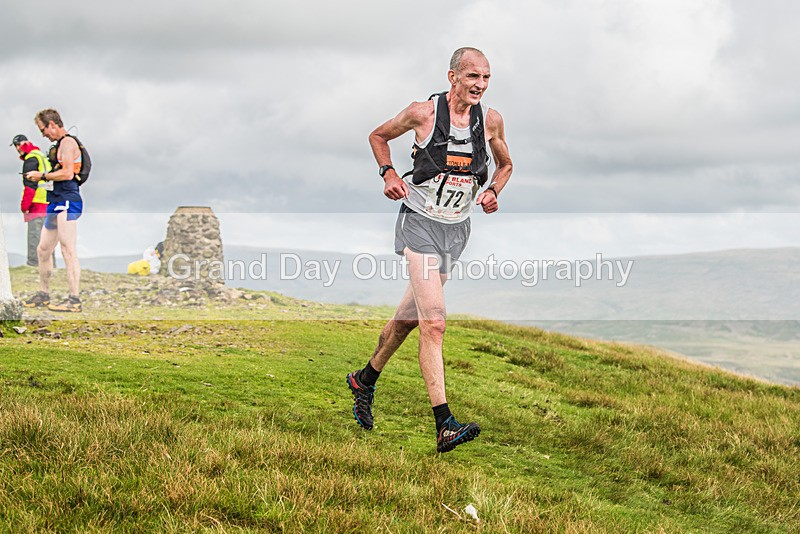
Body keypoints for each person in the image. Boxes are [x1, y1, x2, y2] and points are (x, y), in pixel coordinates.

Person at [347, 47, 513, 453]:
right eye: (472, 76)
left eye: (486, 78)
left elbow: (506, 164)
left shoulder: (490, 120)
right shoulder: (422, 113)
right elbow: (378, 136)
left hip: (455, 230)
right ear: (453, 76)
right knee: (434, 322)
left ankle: (363, 380)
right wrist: (388, 173)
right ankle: (444, 424)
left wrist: (494, 190)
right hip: (419, 222)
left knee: (408, 319)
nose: (480, 84)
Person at [22, 109, 84, 312]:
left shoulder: (68, 143)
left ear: (52, 125)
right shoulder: (58, 146)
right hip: (56, 200)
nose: (43, 135)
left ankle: (74, 299)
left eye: (43, 130)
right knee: (43, 249)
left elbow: (67, 173)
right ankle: (44, 294)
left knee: (67, 248)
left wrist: (41, 176)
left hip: (68, 200)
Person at [10, 134, 53, 267]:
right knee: (49, 239)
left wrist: (24, 206)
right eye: (16, 146)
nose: (18, 148)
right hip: (50, 203)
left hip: (37, 205)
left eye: (19, 144)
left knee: (35, 237)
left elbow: (30, 186)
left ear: (26, 143)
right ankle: (51, 267)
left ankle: (34, 265)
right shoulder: (41, 156)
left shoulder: (31, 159)